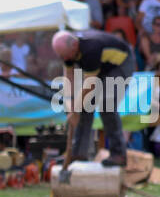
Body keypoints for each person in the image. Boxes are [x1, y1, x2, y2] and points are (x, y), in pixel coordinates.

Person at [52, 29, 134, 166]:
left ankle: (118, 154)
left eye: (66, 56)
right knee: (84, 106)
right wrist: (70, 103)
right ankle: (78, 154)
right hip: (103, 67)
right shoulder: (68, 52)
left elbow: (89, 85)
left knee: (107, 106)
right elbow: (69, 75)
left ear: (74, 46)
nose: (66, 59)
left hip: (121, 64)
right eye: (62, 57)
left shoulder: (91, 49)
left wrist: (75, 110)